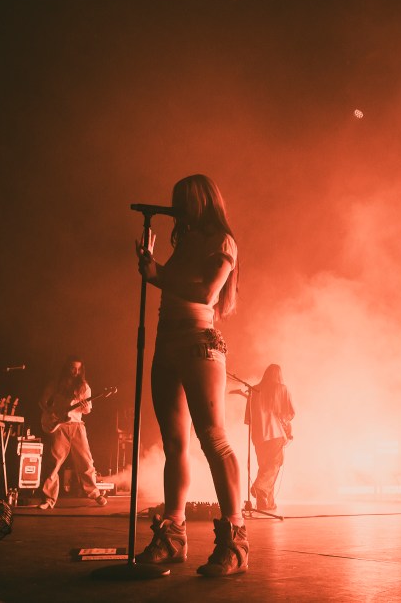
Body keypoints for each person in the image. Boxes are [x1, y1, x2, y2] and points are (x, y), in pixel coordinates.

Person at [134, 174, 248, 577]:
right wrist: (154, 267)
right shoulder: (183, 241)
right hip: (167, 343)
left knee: (213, 438)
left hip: (200, 342)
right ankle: (173, 534)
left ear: (201, 200)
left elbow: (207, 292)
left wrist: (157, 274)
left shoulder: (222, 239)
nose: (177, 207)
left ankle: (234, 540)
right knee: (174, 444)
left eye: (183, 200)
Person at [37, 356, 107, 509]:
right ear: (67, 368)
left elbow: (87, 410)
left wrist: (83, 405)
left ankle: (95, 493)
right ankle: (48, 499)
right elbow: (42, 401)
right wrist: (51, 413)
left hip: (76, 426)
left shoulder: (84, 387)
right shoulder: (55, 384)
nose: (75, 372)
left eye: (78, 369)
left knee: (86, 461)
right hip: (59, 427)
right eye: (72, 368)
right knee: (54, 463)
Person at [244, 364, 294, 511]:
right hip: (275, 433)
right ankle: (259, 487)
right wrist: (287, 428)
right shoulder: (281, 388)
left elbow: (249, 417)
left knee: (264, 467)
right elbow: (288, 413)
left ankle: (266, 503)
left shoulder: (254, 389)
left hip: (258, 435)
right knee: (274, 465)